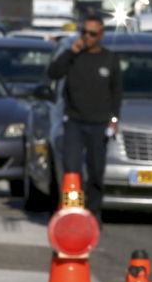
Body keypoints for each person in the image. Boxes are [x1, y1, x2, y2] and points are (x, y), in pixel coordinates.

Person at [47, 13, 122, 217]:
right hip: (74, 122)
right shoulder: (73, 56)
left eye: (92, 33)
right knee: (72, 170)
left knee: (96, 171)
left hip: (98, 125)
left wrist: (114, 120)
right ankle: (73, 210)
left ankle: (94, 212)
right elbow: (53, 73)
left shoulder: (110, 59)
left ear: (101, 35)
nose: (87, 37)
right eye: (84, 32)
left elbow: (116, 93)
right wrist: (71, 52)